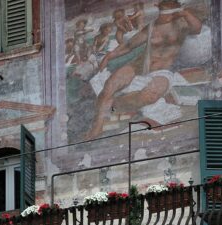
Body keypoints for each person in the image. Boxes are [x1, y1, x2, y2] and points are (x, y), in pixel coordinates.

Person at [86, 0, 203, 140]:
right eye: (162, 10)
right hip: (138, 66)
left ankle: (114, 107)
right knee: (110, 84)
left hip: (162, 71)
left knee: (150, 96)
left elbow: (197, 28)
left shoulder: (181, 25)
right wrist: (109, 56)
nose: (163, 15)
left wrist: (184, 12)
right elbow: (129, 45)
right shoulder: (152, 27)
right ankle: (97, 126)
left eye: (168, 11)